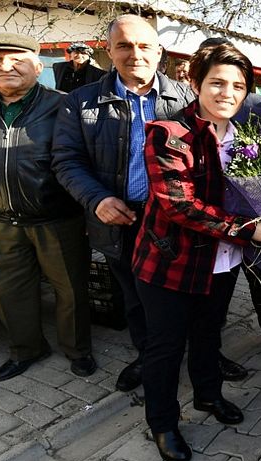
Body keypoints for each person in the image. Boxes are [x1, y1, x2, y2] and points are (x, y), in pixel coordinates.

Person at [134, 43, 261, 461]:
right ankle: (163, 423)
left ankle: (208, 396)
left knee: (209, 334)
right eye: (217, 83)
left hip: (223, 261)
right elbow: (178, 204)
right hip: (172, 260)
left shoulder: (248, 137)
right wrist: (249, 229)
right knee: (165, 348)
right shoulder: (168, 134)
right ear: (195, 83)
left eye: (238, 86)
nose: (228, 93)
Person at [0, 33, 95, 381]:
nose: (4, 66)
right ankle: (27, 349)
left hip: (58, 220)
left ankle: (77, 349)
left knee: (71, 290)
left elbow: (89, 164)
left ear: (39, 66)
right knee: (8, 294)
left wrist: (90, 213)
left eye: (16, 58)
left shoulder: (66, 107)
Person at [52, 15, 196, 393]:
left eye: (145, 45)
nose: (135, 54)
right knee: (135, 297)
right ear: (109, 51)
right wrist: (97, 199)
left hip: (175, 219)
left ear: (159, 52)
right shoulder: (81, 102)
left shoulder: (185, 98)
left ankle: (201, 353)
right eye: (124, 45)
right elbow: (66, 160)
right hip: (121, 218)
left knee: (185, 292)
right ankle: (149, 356)